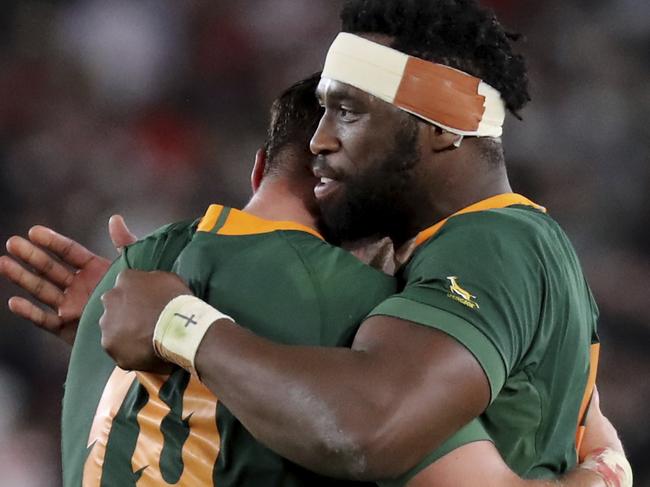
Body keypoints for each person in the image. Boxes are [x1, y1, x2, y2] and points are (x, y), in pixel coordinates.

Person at [95, 1, 632, 486]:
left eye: (348, 112)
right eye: (324, 109)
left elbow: (368, 430)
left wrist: (175, 324)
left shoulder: (492, 242)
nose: (318, 140)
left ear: (446, 128)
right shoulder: (498, 245)